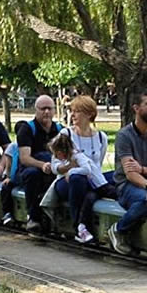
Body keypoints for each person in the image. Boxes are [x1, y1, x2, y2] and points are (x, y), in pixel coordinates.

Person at [107, 91, 147, 255]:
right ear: (136, 108)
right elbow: (130, 173)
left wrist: (145, 171)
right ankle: (118, 229)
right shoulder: (124, 136)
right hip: (127, 185)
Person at [50, 95, 114, 242]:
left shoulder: (101, 137)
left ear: (89, 114)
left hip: (91, 180)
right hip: (68, 181)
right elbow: (54, 166)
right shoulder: (66, 135)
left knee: (115, 176)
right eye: (71, 111)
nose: (72, 115)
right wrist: (68, 168)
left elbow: (97, 165)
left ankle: (84, 226)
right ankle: (77, 225)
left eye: (77, 111)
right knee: (78, 179)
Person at [16, 95, 62, 231]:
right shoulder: (27, 129)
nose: (46, 112)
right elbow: (25, 158)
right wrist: (42, 165)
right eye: (43, 109)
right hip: (30, 169)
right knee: (33, 174)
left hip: (54, 167)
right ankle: (33, 217)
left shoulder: (60, 130)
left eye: (49, 108)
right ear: (36, 110)